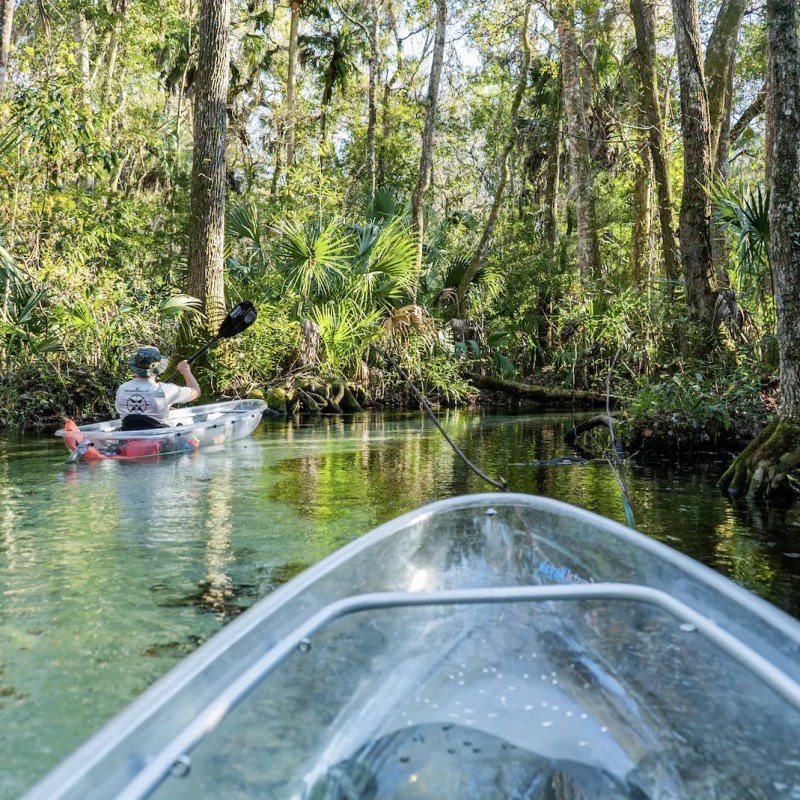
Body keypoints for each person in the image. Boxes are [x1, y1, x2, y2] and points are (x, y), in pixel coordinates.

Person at [116, 346, 201, 431]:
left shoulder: (122, 389)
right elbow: (196, 392)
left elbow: (136, 415)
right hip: (159, 438)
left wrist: (164, 407)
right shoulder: (165, 390)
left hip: (129, 436)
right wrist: (185, 370)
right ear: (158, 367)